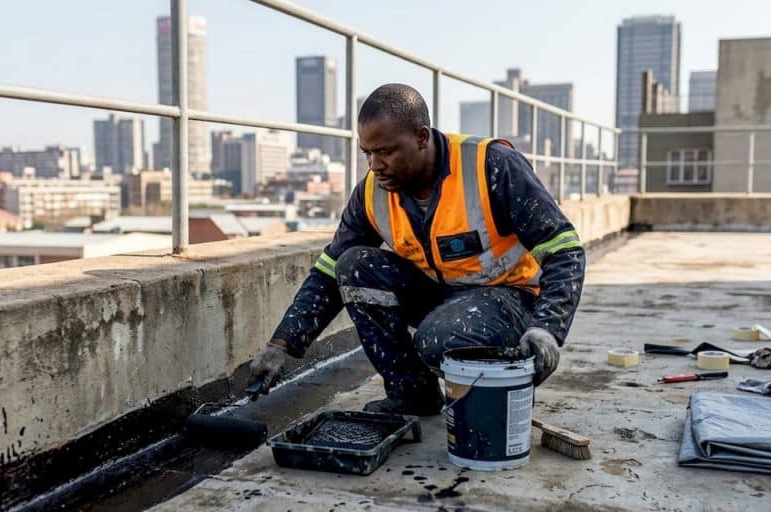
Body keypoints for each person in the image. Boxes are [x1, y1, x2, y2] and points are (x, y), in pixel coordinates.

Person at [246, 83, 585, 415]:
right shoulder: (372, 192)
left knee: (437, 340)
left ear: (422, 137)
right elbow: (328, 273)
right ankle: (413, 394)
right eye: (368, 152)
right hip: (442, 297)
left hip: (510, 298)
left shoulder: (491, 165)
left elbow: (564, 249)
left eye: (386, 151)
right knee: (353, 266)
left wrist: (547, 329)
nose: (375, 164)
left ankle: (502, 385)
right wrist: (281, 345)